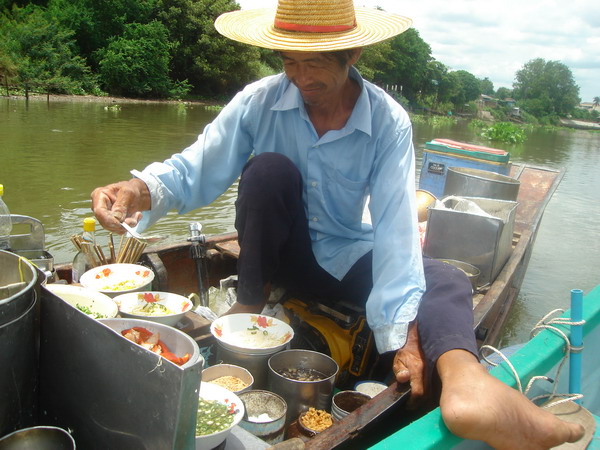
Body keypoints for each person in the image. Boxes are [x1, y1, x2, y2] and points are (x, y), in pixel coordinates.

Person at [91, 0, 585, 447]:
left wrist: (406, 335)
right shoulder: (260, 100)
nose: (300, 78)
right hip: (276, 258)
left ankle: (467, 383)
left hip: (344, 254)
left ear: (353, 56)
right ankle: (247, 308)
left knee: (446, 279)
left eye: (315, 64)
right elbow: (196, 167)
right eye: (289, 62)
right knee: (267, 170)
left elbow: (394, 225)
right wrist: (139, 190)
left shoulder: (386, 121)